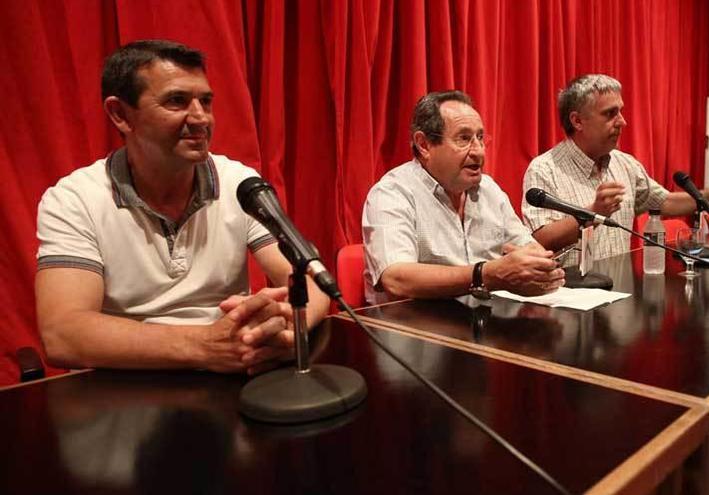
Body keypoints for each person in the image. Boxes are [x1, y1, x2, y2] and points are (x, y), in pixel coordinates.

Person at [35, 40, 329, 375]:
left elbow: (310, 278)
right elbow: (62, 334)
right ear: (120, 115)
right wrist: (204, 345)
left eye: (205, 101)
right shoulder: (74, 200)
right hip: (124, 389)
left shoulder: (238, 183)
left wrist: (289, 326)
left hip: (233, 372)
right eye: (177, 101)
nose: (201, 118)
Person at [362, 91, 564, 304]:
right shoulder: (392, 193)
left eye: (480, 138)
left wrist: (538, 267)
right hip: (416, 328)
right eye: (464, 139)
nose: (478, 151)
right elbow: (396, 279)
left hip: (484, 321)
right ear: (424, 144)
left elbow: (528, 249)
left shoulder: (488, 190)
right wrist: (485, 274)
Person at [522, 74, 709, 259]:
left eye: (620, 111)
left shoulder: (625, 164)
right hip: (568, 300)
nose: (622, 121)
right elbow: (540, 239)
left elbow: (666, 202)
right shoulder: (544, 169)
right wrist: (594, 212)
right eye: (610, 114)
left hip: (620, 295)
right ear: (577, 121)